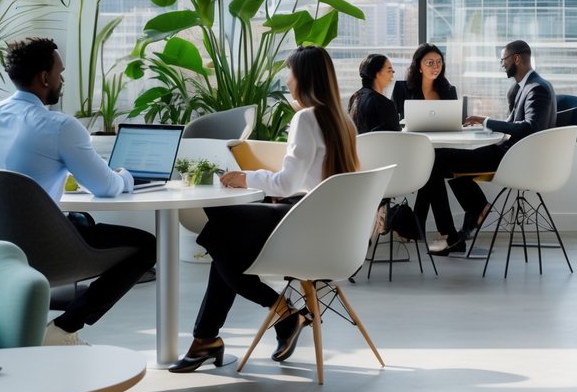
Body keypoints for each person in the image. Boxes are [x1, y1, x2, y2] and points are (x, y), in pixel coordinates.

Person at [0, 37, 155, 346]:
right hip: (37, 250)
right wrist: (124, 176)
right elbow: (105, 187)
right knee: (146, 245)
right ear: (45, 78)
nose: (62, 79)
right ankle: (63, 329)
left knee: (80, 220)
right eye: (60, 72)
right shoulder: (59, 126)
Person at [170, 45, 360, 373]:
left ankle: (282, 312)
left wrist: (244, 177)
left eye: (290, 73)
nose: (287, 80)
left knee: (221, 227)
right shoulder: (343, 122)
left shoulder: (306, 118)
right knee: (223, 239)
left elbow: (287, 184)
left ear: (304, 79)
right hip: (327, 229)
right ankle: (207, 339)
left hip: (301, 224)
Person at [417, 40, 554, 256]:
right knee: (439, 163)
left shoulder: (537, 89)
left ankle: (452, 231)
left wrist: (487, 121)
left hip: (513, 159)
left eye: (504, 60)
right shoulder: (524, 88)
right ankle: (474, 209)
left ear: (516, 59)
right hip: (507, 153)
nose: (503, 65)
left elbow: (530, 127)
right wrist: (484, 126)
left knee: (436, 160)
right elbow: (514, 125)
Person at [390, 43, 458, 119]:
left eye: (439, 61)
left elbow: (455, 120)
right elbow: (391, 121)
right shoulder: (401, 89)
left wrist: (465, 121)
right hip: (410, 131)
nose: (436, 66)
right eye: (430, 63)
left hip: (442, 131)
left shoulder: (450, 90)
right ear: (419, 67)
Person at [347, 53, 401, 133]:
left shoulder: (354, 98)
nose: (392, 75)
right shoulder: (385, 104)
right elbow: (395, 138)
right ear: (377, 73)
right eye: (389, 71)